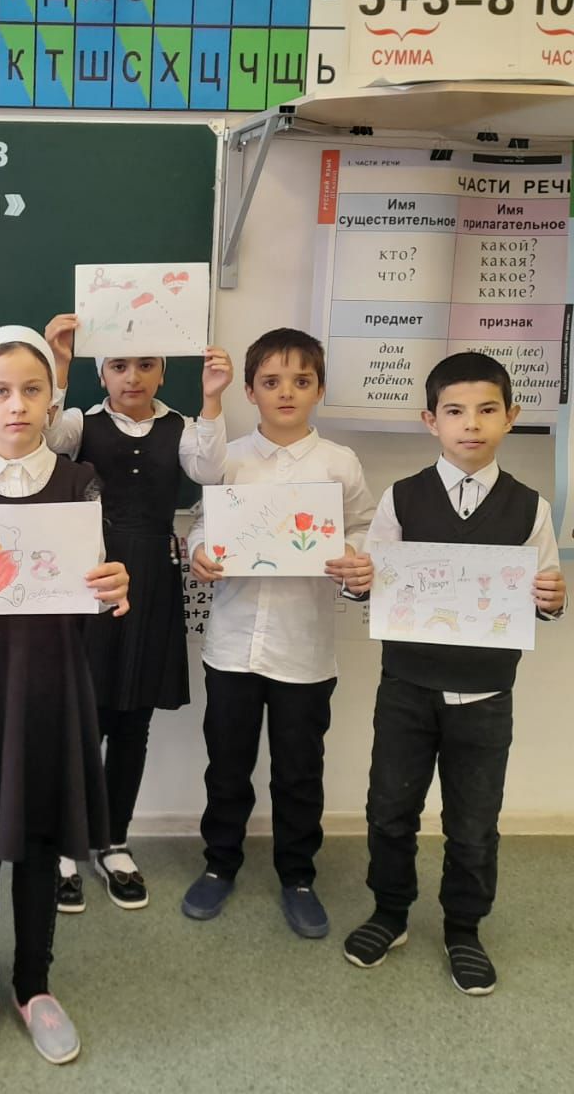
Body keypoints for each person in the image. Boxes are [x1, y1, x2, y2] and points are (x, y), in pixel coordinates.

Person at [0, 327, 129, 1068]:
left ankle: (33, 985)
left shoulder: (79, 482)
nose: (16, 404)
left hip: (50, 680)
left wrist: (113, 586)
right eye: (0, 391)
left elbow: (91, 584)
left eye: (31, 390)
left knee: (41, 838)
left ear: (52, 399)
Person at [341, 351, 566, 996]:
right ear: (430, 420)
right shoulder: (402, 497)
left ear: (511, 417)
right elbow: (371, 581)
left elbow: (545, 593)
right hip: (407, 688)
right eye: (455, 411)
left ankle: (464, 928)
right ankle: (390, 913)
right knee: (390, 809)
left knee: (473, 822)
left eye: (487, 410)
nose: (471, 423)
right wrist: (358, 580)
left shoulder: (530, 508)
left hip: (487, 694)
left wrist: (553, 599)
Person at [184, 328, 374, 939]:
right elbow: (202, 523)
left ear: (320, 389)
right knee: (227, 765)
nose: (286, 392)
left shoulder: (338, 464)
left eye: (301, 381)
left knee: (298, 771)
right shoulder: (230, 458)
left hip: (304, 649)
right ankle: (220, 864)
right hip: (232, 644)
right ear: (250, 391)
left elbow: (367, 528)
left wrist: (355, 555)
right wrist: (198, 552)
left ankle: (298, 876)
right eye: (271, 381)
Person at [43, 317, 232, 911]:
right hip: (89, 575)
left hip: (153, 577)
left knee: (133, 721)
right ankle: (64, 843)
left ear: (163, 372)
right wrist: (58, 366)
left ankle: (114, 841)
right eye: (119, 366)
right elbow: (44, 443)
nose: (133, 377)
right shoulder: (81, 423)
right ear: (101, 373)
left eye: (146, 365)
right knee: (81, 718)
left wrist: (212, 399)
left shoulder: (181, 427)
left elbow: (208, 471)